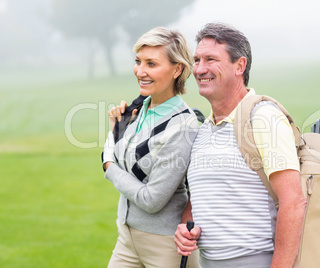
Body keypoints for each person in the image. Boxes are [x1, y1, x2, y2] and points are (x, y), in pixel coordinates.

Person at [174, 23, 306, 268]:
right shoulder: (204, 129)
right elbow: (200, 199)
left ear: (240, 66)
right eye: (197, 60)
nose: (200, 69)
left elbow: (293, 201)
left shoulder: (263, 117)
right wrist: (186, 227)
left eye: (211, 59)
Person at [102, 27, 199, 268]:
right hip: (126, 237)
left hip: (165, 246)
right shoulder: (140, 108)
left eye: (151, 64)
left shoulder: (182, 126)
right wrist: (116, 128)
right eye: (138, 61)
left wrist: (108, 168)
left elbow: (152, 199)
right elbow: (111, 147)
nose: (140, 71)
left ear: (177, 69)